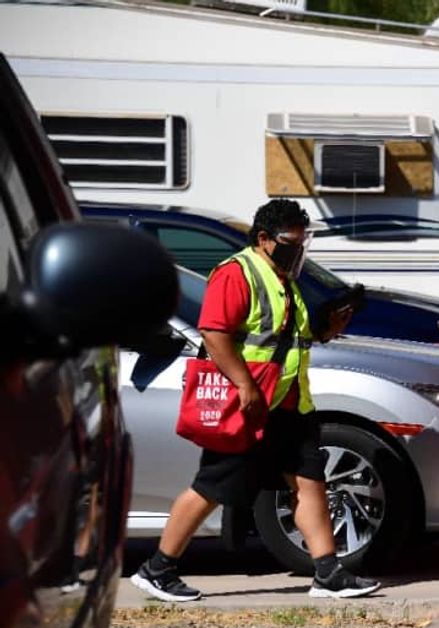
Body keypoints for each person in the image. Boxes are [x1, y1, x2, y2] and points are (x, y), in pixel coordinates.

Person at [130, 199, 380, 601]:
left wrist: (326, 330)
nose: (297, 251)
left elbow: (281, 340)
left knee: (310, 482)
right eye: (289, 243)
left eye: (303, 243)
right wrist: (245, 385)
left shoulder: (282, 279)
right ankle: (156, 569)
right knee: (210, 486)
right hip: (251, 405)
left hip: (288, 405)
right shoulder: (236, 274)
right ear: (263, 239)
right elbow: (214, 334)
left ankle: (328, 573)